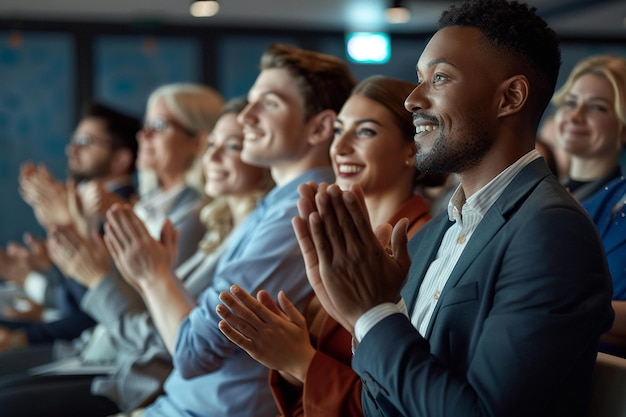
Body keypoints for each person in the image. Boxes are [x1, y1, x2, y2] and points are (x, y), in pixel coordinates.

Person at [291, 1, 614, 416]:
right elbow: (383, 400)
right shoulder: (437, 230)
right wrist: (372, 310)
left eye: (439, 78)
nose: (412, 100)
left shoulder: (552, 231)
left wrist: (371, 314)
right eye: (419, 78)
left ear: (510, 97)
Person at [104, 43, 356, 417]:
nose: (247, 116)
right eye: (251, 102)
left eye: (269, 104)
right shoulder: (275, 206)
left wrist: (155, 275)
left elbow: (192, 353)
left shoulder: (296, 214)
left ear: (319, 127)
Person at [216, 75, 438, 417]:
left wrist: (300, 361)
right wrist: (288, 358)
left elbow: (400, 396)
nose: (341, 147)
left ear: (411, 149)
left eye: (365, 131)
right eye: (338, 130)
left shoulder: (421, 248)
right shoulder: (339, 236)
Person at [0, 83, 223, 417]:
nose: (143, 135)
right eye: (145, 125)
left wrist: (72, 230)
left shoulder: (190, 217)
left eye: (159, 126)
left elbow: (117, 307)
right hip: (104, 348)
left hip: (131, 365)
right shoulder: (149, 205)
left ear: (198, 141)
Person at [0, 101, 141, 350]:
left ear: (121, 159)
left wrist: (65, 225)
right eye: (74, 140)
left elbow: (89, 309)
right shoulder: (85, 204)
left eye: (86, 142)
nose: (72, 149)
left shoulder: (118, 211)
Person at [552, 54, 626, 357]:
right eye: (570, 102)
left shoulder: (621, 207)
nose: (576, 115)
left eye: (596, 107)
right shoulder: (540, 193)